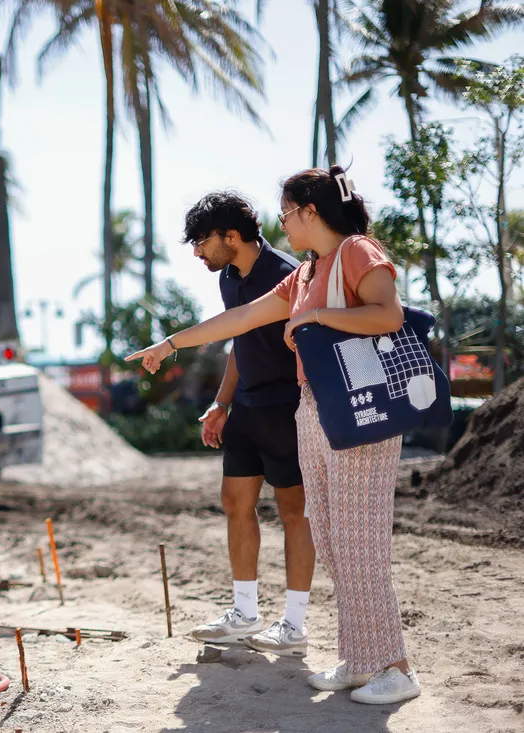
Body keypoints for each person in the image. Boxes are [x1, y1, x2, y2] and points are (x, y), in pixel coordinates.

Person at [128, 165, 420, 706]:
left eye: (286, 213)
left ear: (311, 212)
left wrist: (315, 322)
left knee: (362, 547)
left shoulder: (358, 251)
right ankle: (360, 659)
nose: (282, 224)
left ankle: (396, 667)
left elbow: (388, 314)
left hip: (358, 413)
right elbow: (239, 322)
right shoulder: (306, 274)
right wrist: (171, 343)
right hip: (314, 411)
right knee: (332, 543)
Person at [181, 192, 316, 658]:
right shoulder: (229, 278)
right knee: (235, 502)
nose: (197, 252)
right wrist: (221, 401)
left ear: (231, 236)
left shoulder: (286, 275)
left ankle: (294, 623)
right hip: (248, 407)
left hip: (289, 408)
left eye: (201, 241)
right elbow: (239, 341)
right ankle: (245, 614)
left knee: (294, 512)